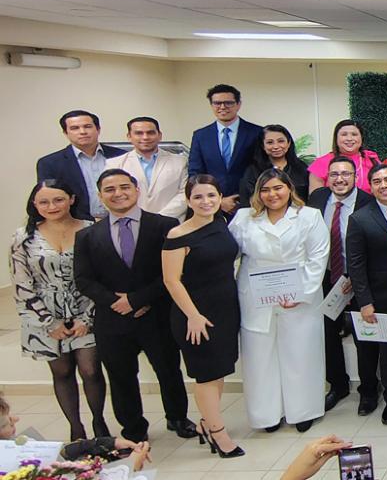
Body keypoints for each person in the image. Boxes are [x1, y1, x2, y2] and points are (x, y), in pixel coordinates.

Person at [73, 169, 196, 443]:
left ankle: (178, 417)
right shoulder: (87, 236)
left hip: (157, 314)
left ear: (136, 190)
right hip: (113, 320)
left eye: (124, 187)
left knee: (168, 369)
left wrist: (137, 300)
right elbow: (83, 279)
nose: (118, 193)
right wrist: (117, 302)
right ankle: (133, 429)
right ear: (100, 196)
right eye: (110, 189)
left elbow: (173, 272)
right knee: (121, 377)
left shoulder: (164, 226)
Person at [229, 169, 328, 433]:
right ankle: (267, 415)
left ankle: (304, 410)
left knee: (301, 353)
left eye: (277, 188)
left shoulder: (309, 216)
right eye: (265, 190)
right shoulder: (244, 218)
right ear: (258, 193)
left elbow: (318, 258)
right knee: (260, 357)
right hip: (256, 295)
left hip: (299, 292)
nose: (272, 195)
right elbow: (228, 253)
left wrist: (301, 293)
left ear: (289, 189)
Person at [11, 180, 105, 441]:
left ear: (71, 199)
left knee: (91, 370)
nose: (51, 206)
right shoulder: (23, 237)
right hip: (44, 317)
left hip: (87, 311)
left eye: (58, 200)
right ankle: (76, 428)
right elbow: (21, 283)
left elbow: (103, 276)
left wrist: (87, 317)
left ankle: (99, 424)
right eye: (44, 202)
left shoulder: (91, 229)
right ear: (35, 204)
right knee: (62, 372)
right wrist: (48, 322)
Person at [161, 174, 243, 458]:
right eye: (198, 196)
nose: (205, 201)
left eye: (211, 195)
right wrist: (193, 316)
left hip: (225, 310)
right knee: (206, 375)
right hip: (195, 315)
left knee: (219, 370)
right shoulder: (177, 234)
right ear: (188, 201)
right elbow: (171, 280)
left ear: (220, 198)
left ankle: (208, 422)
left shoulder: (220, 224)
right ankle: (218, 433)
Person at [304, 157, 377, 413]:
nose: (340, 179)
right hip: (325, 277)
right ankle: (338, 384)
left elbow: (375, 245)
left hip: (358, 278)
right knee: (327, 334)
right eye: (334, 174)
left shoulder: (368, 202)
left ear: (356, 177)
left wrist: (355, 278)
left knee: (364, 337)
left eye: (346, 174)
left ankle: (369, 389)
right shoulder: (317, 199)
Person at [345, 164, 387, 426]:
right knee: (377, 349)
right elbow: (356, 265)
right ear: (370, 187)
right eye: (377, 181)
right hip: (378, 296)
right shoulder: (360, 218)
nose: (384, 185)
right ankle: (377, 396)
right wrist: (365, 302)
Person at [0, 393, 153, 472]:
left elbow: (61, 452)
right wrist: (129, 467)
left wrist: (111, 444)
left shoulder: (19, 446)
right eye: (7, 423)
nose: (16, 419)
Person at [36, 110, 127, 220]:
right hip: (77, 224)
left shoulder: (122, 155)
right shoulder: (50, 163)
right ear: (65, 133)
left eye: (87, 126)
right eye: (75, 128)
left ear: (98, 129)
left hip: (122, 219)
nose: (82, 132)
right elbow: (50, 197)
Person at [188, 84, 263, 214]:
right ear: (211, 105)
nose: (222, 107)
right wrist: (218, 201)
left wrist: (243, 199)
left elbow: (261, 168)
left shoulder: (256, 133)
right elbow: (195, 173)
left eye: (228, 103)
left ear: (238, 104)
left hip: (250, 204)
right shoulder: (200, 136)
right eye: (217, 103)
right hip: (212, 206)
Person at [106, 117, 187, 219]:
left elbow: (184, 193)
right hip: (129, 222)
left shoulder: (180, 162)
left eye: (150, 133)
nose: (145, 137)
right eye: (139, 133)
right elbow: (109, 195)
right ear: (129, 136)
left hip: (171, 222)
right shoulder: (114, 164)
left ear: (159, 135)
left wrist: (159, 218)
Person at [308, 120, 382, 194]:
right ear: (336, 138)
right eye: (344, 134)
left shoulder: (371, 159)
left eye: (354, 134)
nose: (349, 138)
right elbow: (316, 197)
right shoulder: (321, 163)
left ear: (361, 138)